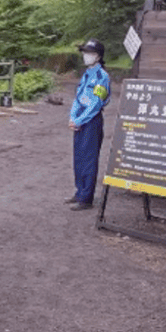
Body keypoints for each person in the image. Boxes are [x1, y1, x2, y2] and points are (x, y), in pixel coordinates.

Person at [66, 38, 111, 211]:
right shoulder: (87, 74)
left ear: (98, 56)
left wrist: (79, 120)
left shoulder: (102, 77)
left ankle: (86, 197)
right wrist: (73, 117)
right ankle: (79, 192)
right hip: (80, 120)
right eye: (85, 53)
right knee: (79, 157)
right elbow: (78, 98)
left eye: (90, 53)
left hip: (91, 121)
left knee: (89, 160)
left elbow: (96, 103)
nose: (86, 56)